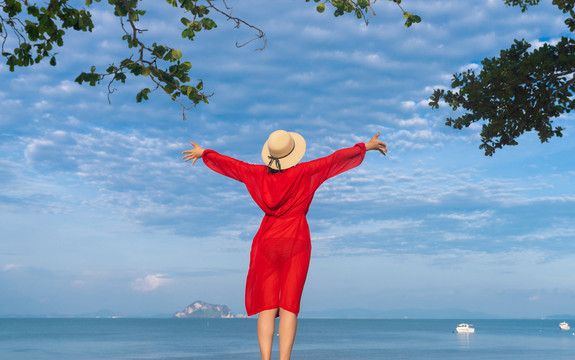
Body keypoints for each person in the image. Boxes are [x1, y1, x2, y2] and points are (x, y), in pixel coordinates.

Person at [182, 130, 388, 360]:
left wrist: (205, 153)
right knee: (289, 306)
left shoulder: (257, 174)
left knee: (267, 307)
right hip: (296, 241)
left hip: (268, 241)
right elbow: (335, 159)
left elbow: (233, 165)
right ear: (292, 153)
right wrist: (365, 147)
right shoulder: (305, 172)